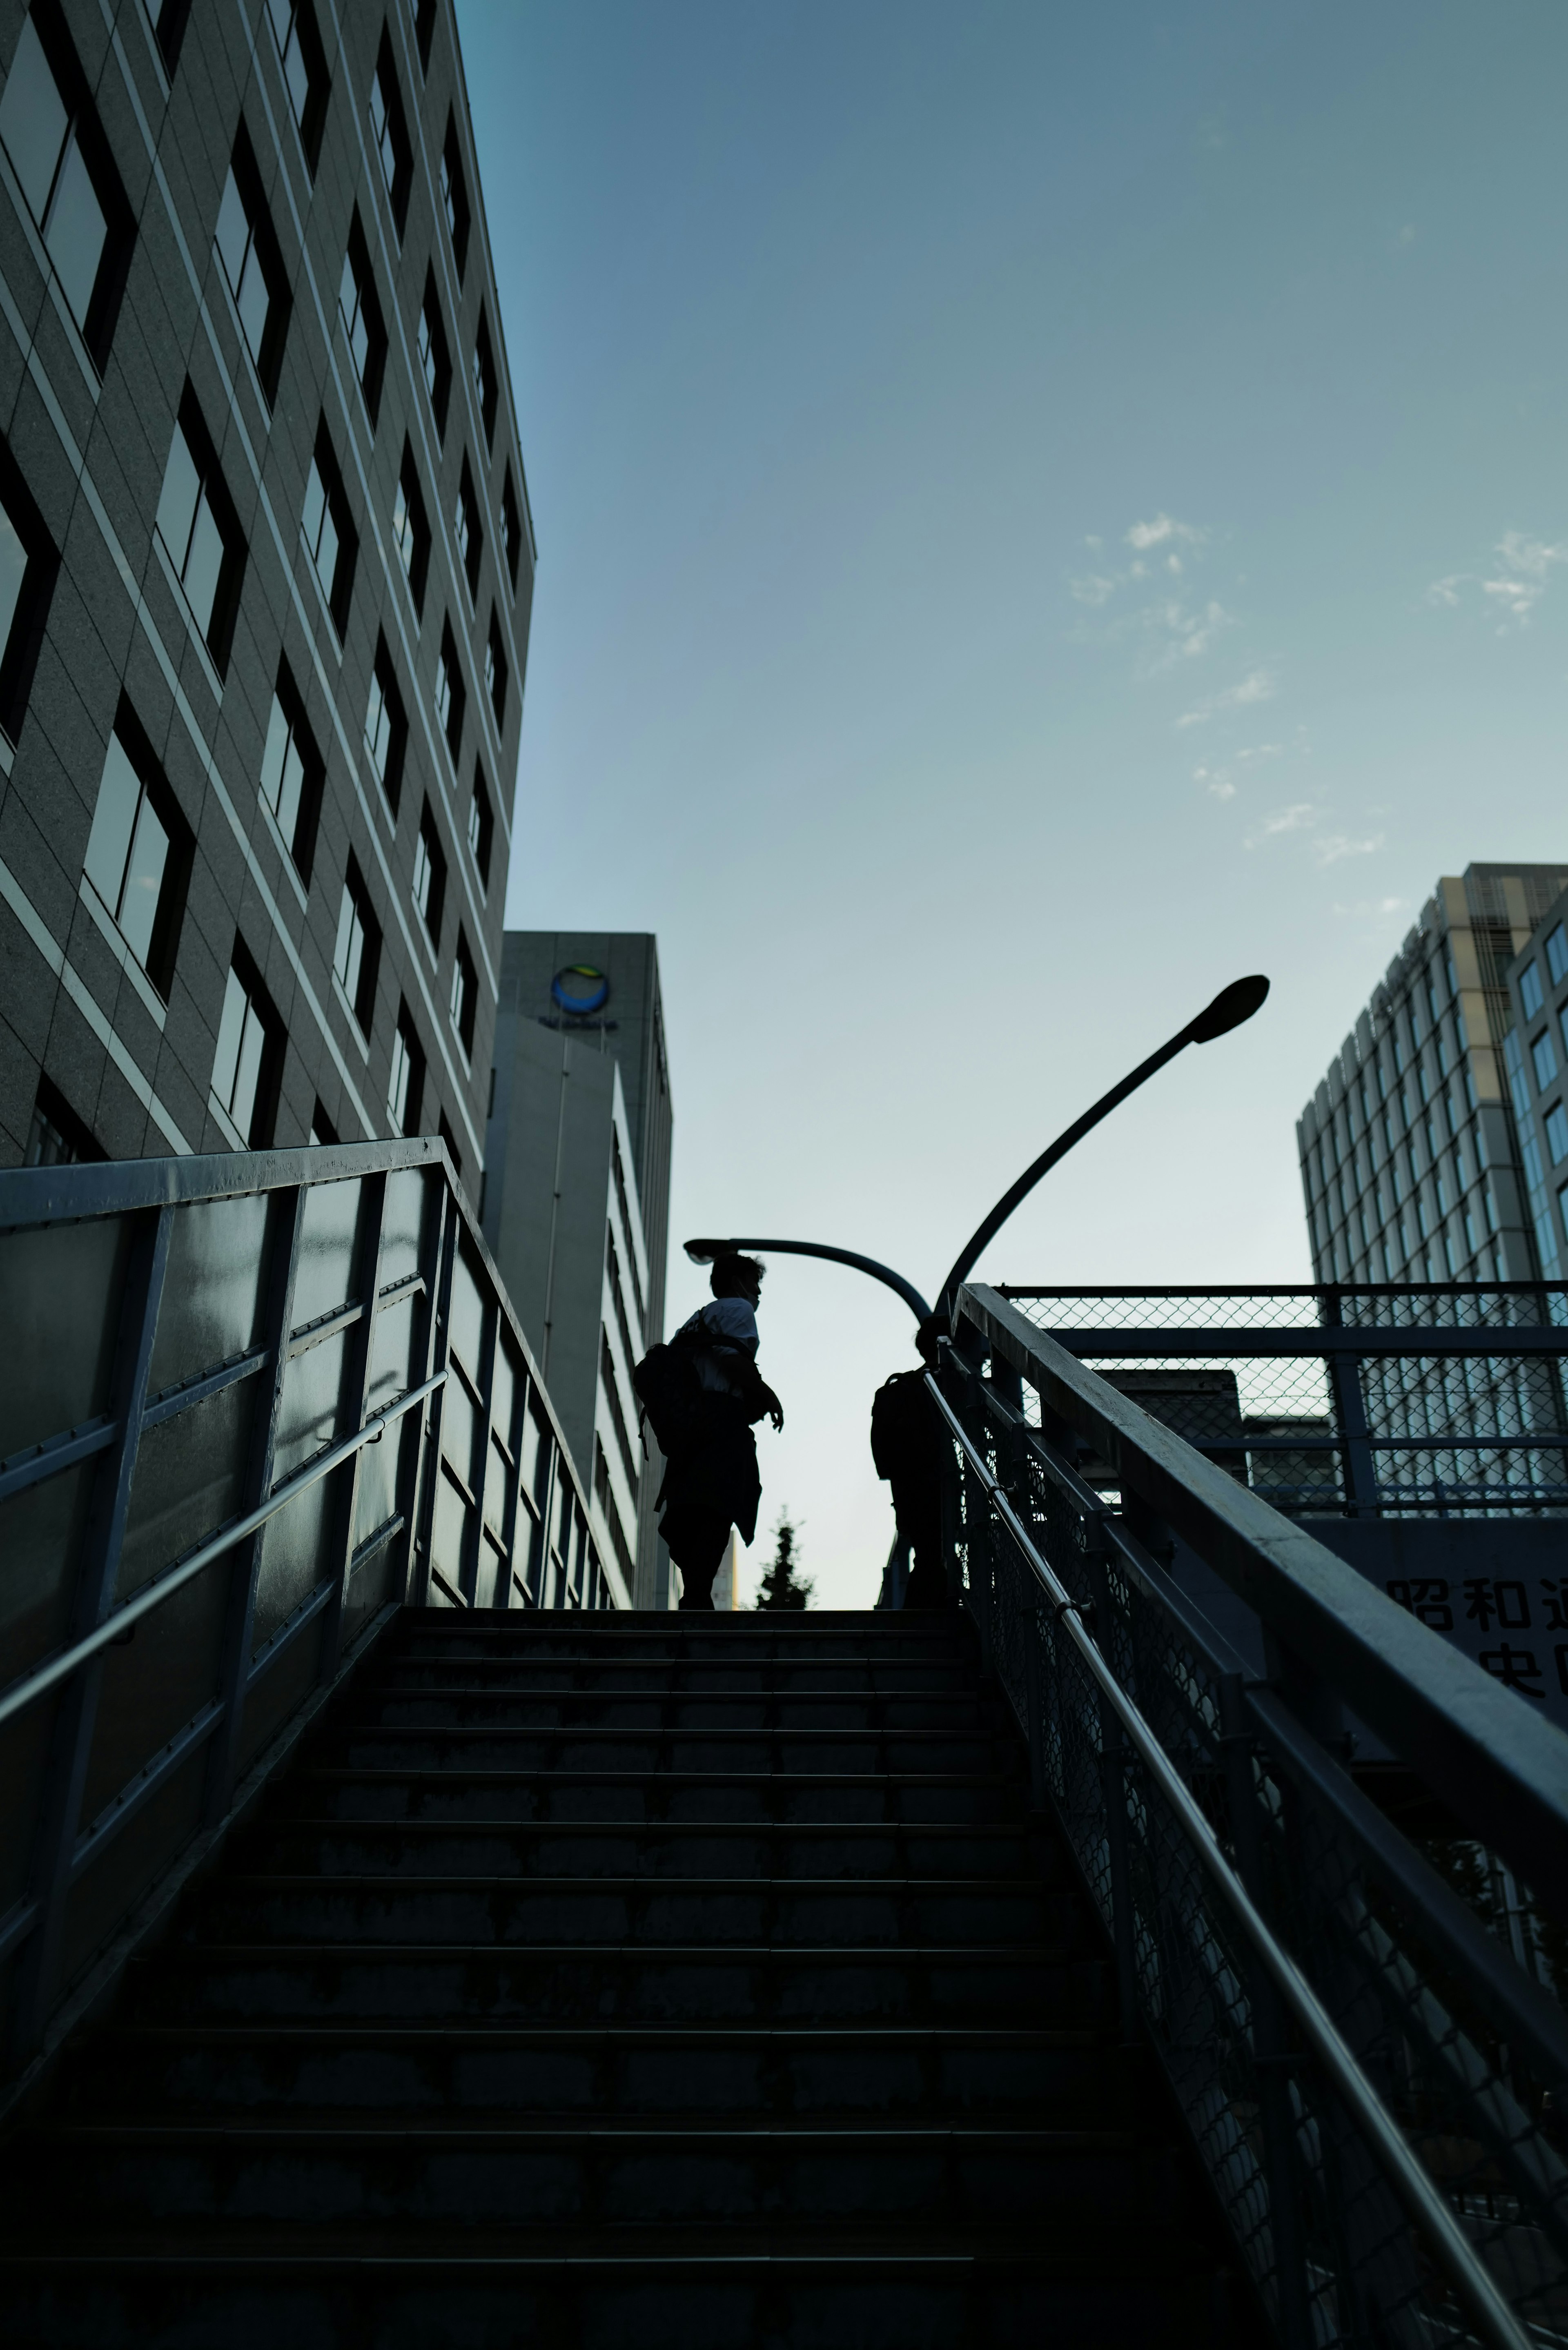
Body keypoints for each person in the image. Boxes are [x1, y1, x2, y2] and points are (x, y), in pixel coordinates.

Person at [657, 1252, 784, 1610]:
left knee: (691, 1508)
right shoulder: (737, 1310)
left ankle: (695, 1592)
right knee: (720, 1505)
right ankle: (698, 1596)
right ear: (739, 1282)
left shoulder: (696, 1321)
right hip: (720, 1421)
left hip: (688, 1423)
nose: (758, 1293)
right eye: (755, 1284)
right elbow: (732, 1361)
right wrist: (768, 1396)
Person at [871, 1318, 952, 1609]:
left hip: (908, 1485)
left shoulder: (906, 1388)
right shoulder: (949, 1382)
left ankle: (920, 1616)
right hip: (937, 1479)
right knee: (935, 1555)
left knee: (927, 1553)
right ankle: (925, 1618)